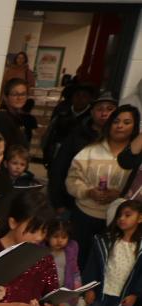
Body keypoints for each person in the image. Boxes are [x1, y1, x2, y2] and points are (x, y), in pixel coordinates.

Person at [66, 198, 142, 306]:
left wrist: (135, 293)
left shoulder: (140, 247)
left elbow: (140, 275)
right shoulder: (104, 240)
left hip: (120, 295)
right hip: (101, 291)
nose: (122, 218)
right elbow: (92, 266)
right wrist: (90, 288)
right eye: (119, 215)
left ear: (140, 218)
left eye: (128, 215)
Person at [65, 104, 139, 268]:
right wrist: (88, 192)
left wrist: (120, 195)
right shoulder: (90, 151)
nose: (120, 126)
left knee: (103, 266)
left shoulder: (136, 158)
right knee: (76, 263)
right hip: (84, 216)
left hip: (118, 222)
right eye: (116, 121)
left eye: (127, 122)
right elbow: (71, 180)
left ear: (135, 127)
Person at [49, 91, 118, 216]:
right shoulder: (77, 136)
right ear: (91, 112)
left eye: (110, 109)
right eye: (99, 109)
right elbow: (58, 169)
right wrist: (58, 203)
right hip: (74, 204)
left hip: (111, 210)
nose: (105, 113)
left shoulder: (123, 140)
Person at [43, 81, 96, 168]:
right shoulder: (62, 112)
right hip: (57, 155)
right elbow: (50, 135)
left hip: (79, 160)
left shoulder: (92, 117)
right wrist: (47, 156)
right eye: (77, 95)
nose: (80, 99)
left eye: (84, 96)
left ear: (90, 99)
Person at [0, 77, 38, 148]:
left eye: (23, 94)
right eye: (15, 94)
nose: (19, 98)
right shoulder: (2, 117)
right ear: (5, 97)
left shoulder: (22, 117)